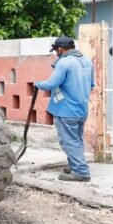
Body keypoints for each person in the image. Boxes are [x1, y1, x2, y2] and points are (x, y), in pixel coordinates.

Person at [35, 36, 95, 182]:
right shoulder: (87, 61)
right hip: (82, 109)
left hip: (66, 110)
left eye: (56, 50)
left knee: (69, 141)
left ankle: (81, 172)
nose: (56, 53)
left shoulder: (64, 62)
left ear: (60, 49)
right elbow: (92, 85)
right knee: (76, 139)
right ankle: (74, 165)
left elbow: (51, 83)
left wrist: (38, 84)